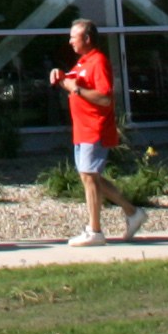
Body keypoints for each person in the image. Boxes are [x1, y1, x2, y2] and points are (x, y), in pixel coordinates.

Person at [48, 16, 135, 244]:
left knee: (89, 177)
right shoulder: (83, 62)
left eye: (73, 37)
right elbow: (73, 82)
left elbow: (105, 97)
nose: (70, 42)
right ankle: (132, 212)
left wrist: (76, 90)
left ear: (87, 38)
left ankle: (94, 231)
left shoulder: (98, 61)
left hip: (95, 127)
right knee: (89, 176)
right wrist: (60, 75)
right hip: (82, 128)